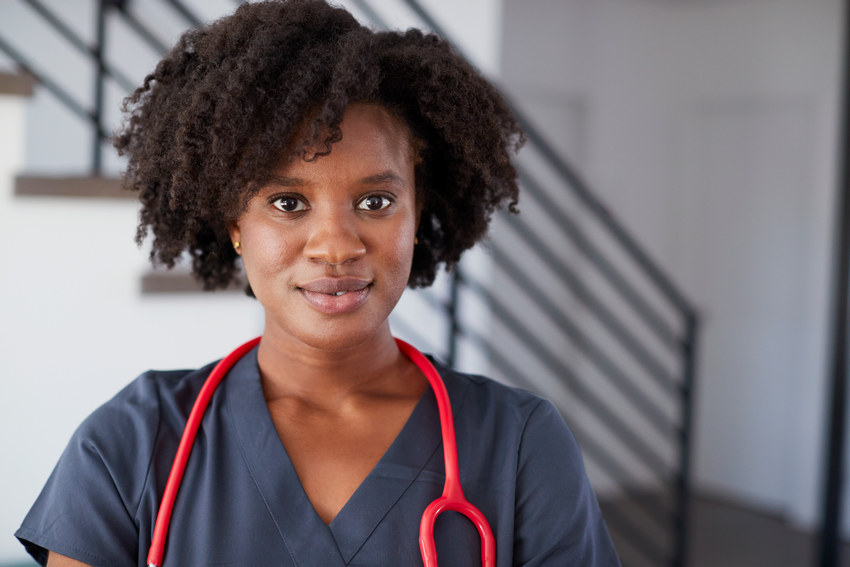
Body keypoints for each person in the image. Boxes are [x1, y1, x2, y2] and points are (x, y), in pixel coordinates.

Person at [15, 1, 620, 565]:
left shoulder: (519, 443)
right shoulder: (129, 442)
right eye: (286, 202)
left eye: (377, 200)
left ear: (419, 213)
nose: (336, 245)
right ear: (234, 226)